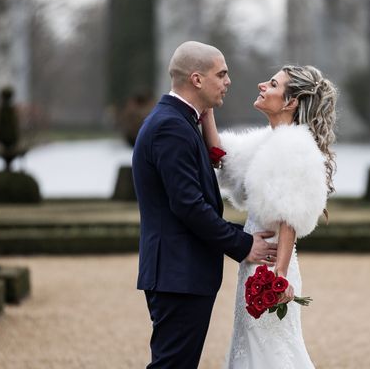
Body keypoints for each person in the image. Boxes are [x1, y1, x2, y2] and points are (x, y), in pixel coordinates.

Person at [132, 41, 278, 368]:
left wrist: (206, 118)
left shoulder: (180, 120)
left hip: (179, 272)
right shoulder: (171, 126)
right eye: (221, 74)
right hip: (177, 274)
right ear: (197, 79)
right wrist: (242, 244)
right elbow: (189, 206)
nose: (228, 82)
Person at [201, 64, 338, 368]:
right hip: (257, 259)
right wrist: (206, 109)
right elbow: (222, 158)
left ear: (290, 102)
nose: (262, 85)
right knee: (249, 344)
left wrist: (279, 277)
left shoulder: (294, 147)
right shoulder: (268, 140)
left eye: (273, 84)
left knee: (271, 351)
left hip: (271, 263)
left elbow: (289, 218)